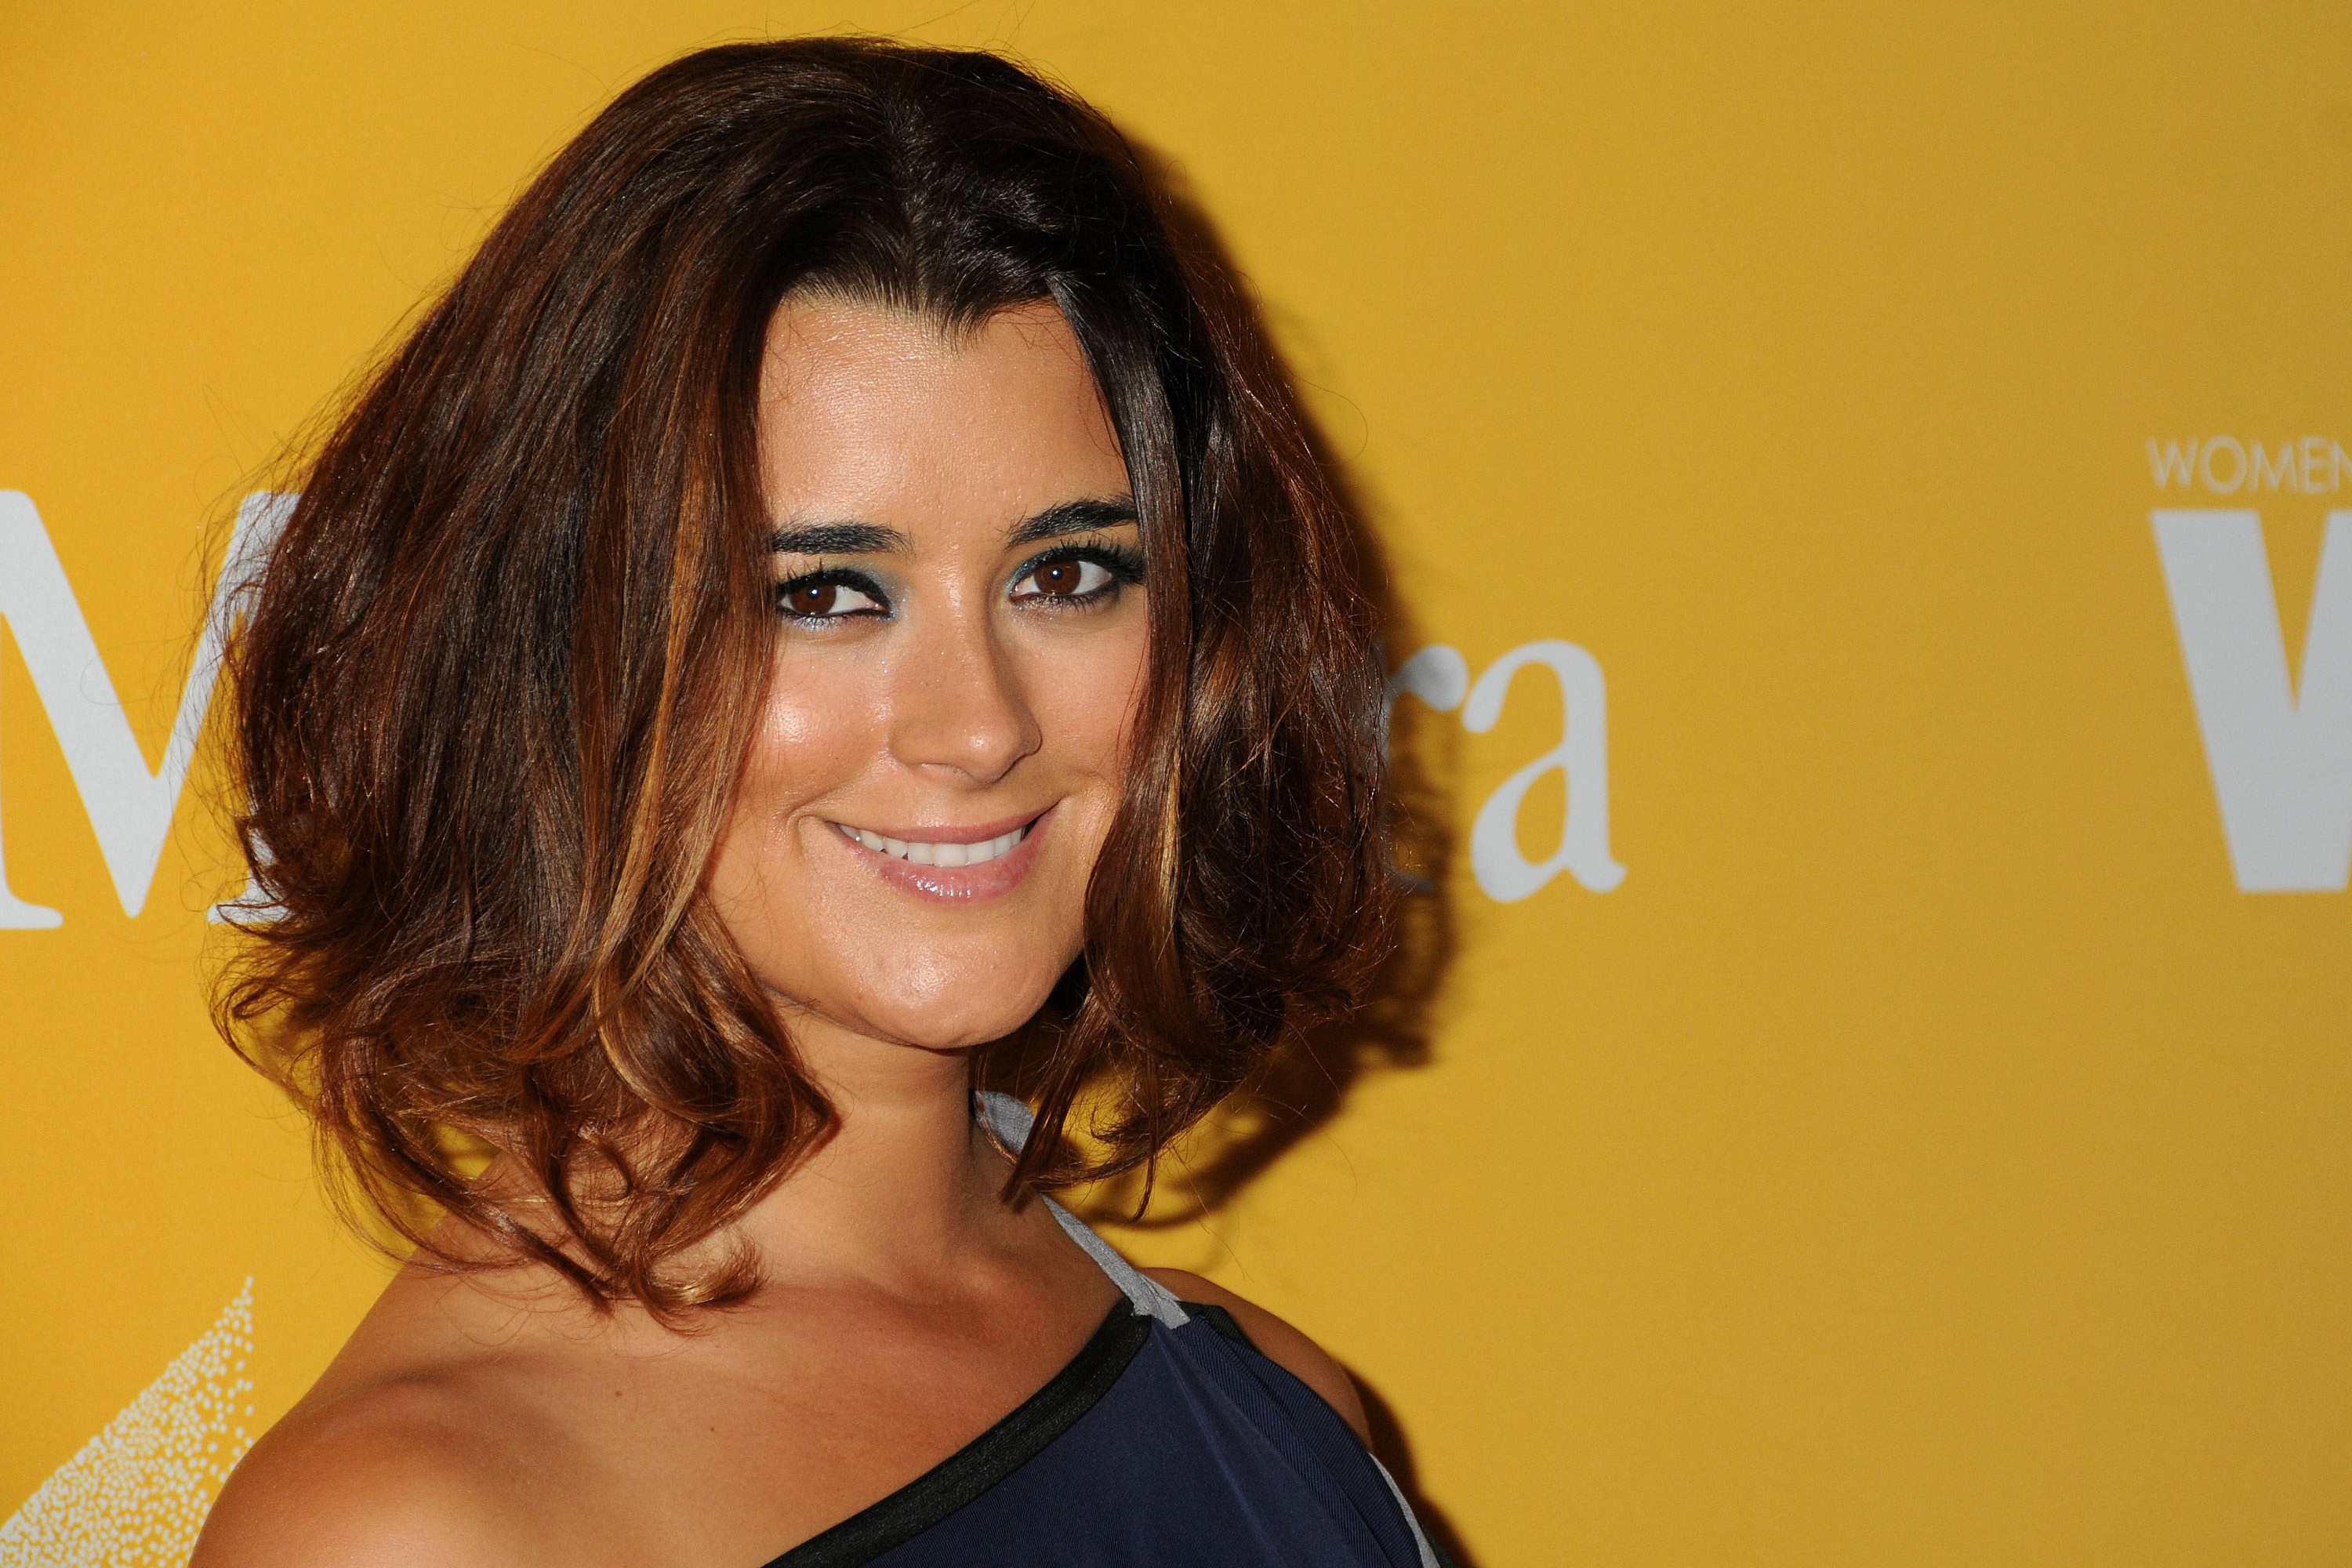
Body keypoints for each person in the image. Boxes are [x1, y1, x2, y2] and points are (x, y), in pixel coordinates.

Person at [193, 35, 1443, 1568]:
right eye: (826, 594)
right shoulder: (417, 1530)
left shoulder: (1284, 1409)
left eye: (1065, 574)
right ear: (554, 650)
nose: (977, 727)